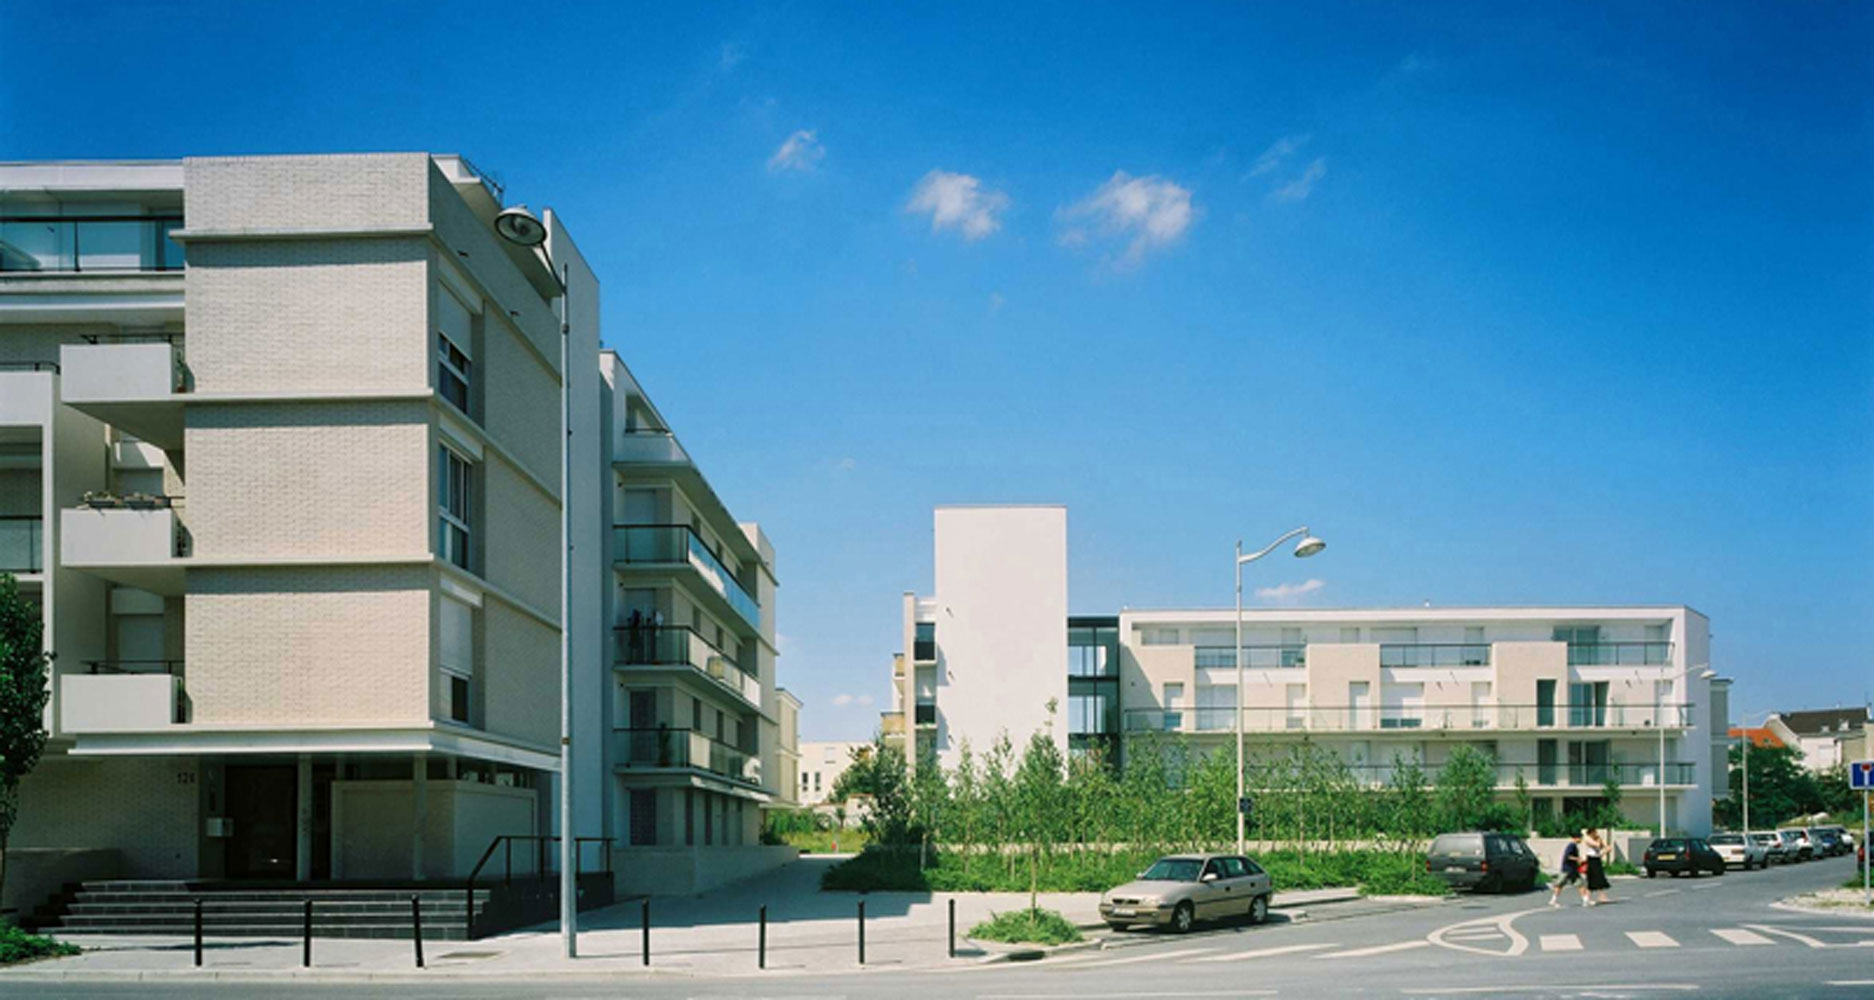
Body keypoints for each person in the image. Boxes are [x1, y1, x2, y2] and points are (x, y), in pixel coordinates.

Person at [1550, 831, 1589, 908]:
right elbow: (1567, 856)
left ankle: (1585, 900)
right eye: (1580, 838)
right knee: (1559, 884)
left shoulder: (1574, 846)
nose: (1581, 840)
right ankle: (1553, 900)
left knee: (1580, 884)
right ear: (1576, 838)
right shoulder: (1571, 846)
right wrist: (1578, 859)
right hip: (1567, 869)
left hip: (1573, 869)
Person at [1583, 828, 1613, 905]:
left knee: (1600, 877)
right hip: (1591, 860)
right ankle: (1587, 897)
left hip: (1597, 859)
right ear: (1591, 833)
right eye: (1595, 832)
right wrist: (1599, 840)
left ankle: (1602, 896)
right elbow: (1597, 845)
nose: (1596, 834)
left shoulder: (1597, 839)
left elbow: (1607, 847)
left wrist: (1604, 852)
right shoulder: (1587, 839)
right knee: (1592, 878)